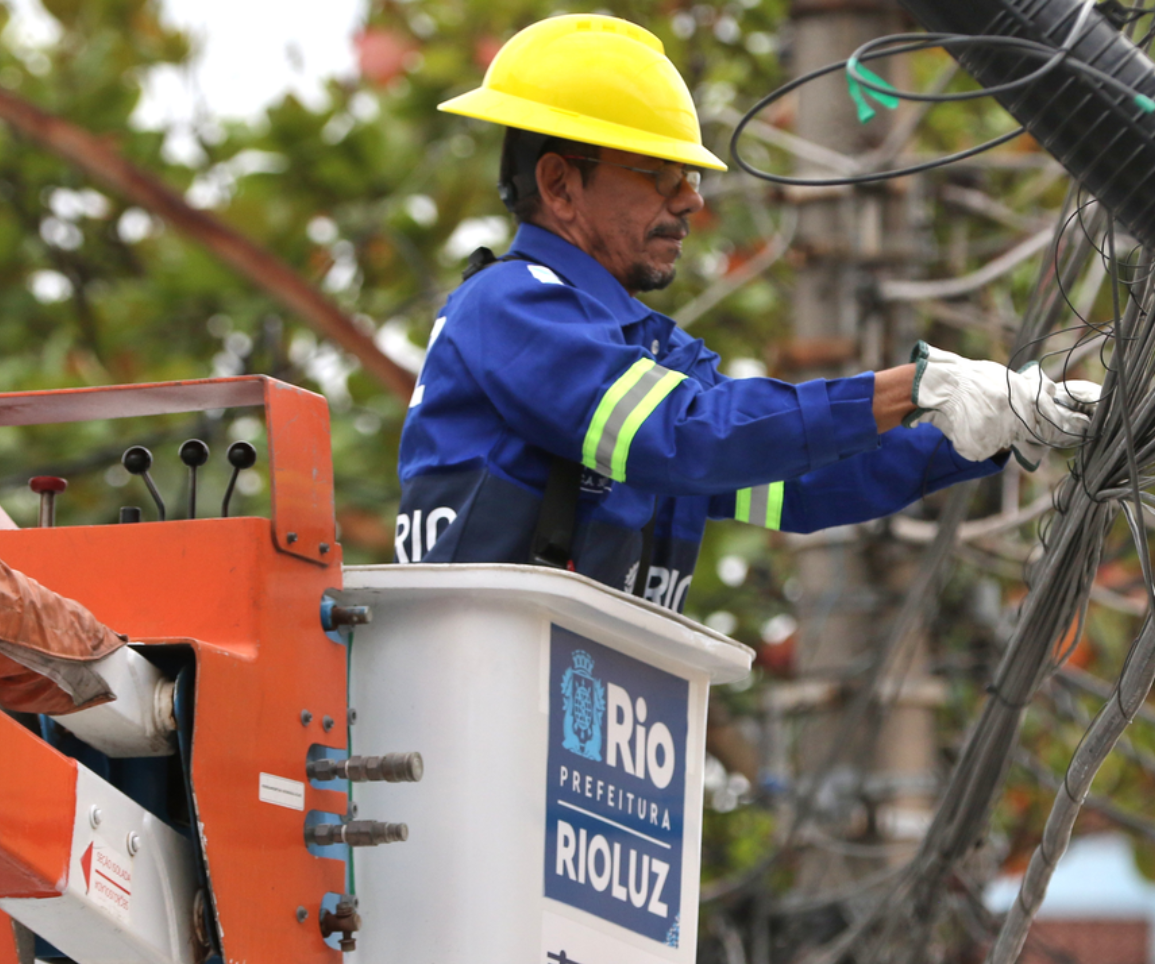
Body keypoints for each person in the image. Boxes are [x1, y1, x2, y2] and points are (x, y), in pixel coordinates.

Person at [395, 13, 1098, 612]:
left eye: (690, 175)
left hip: (578, 708)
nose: (690, 199)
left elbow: (796, 479)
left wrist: (988, 424)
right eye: (660, 173)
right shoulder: (513, 308)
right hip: (481, 697)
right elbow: (687, 439)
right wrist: (913, 387)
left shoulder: (648, 352)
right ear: (559, 183)